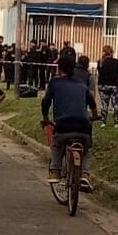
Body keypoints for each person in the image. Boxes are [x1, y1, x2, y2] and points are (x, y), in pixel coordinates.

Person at [43, 55, 99, 192]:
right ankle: (85, 174)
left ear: (59, 68)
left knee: (56, 145)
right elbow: (92, 103)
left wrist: (45, 118)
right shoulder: (81, 84)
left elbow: (45, 102)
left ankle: (55, 170)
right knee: (86, 150)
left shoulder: (55, 83)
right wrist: (95, 116)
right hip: (83, 127)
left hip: (63, 126)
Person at [97, 45, 118, 129]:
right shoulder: (116, 62)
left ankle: (103, 122)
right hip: (115, 85)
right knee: (115, 104)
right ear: (112, 52)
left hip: (103, 85)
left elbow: (100, 72)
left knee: (104, 104)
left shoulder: (100, 62)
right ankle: (116, 122)